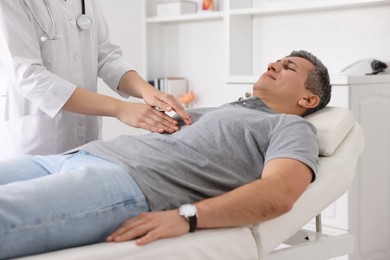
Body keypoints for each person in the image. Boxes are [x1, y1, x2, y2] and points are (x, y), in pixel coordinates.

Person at [0, 50, 331, 259]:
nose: (273, 63)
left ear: (308, 100)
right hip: (76, 156)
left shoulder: (291, 128)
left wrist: (186, 215)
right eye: (278, 59)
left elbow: (280, 193)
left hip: (128, 182)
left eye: (288, 67)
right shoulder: (219, 110)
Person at [0, 0, 192, 160]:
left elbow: (107, 57)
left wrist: (147, 91)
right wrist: (118, 108)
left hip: (88, 146)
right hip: (36, 145)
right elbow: (30, 77)